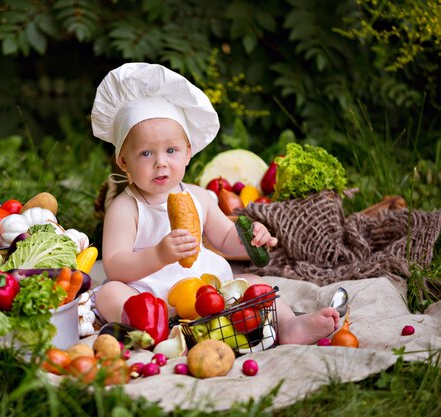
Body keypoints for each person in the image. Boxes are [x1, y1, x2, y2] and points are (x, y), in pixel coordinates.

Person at [90, 62, 339, 345]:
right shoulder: (125, 207)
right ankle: (151, 333)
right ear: (124, 161)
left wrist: (250, 238)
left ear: (188, 153)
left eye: (171, 150)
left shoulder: (199, 196)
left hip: (206, 290)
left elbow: (224, 238)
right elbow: (114, 265)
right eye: (146, 153)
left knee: (258, 286)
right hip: (150, 296)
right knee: (110, 294)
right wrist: (159, 254)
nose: (161, 162)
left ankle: (290, 324)